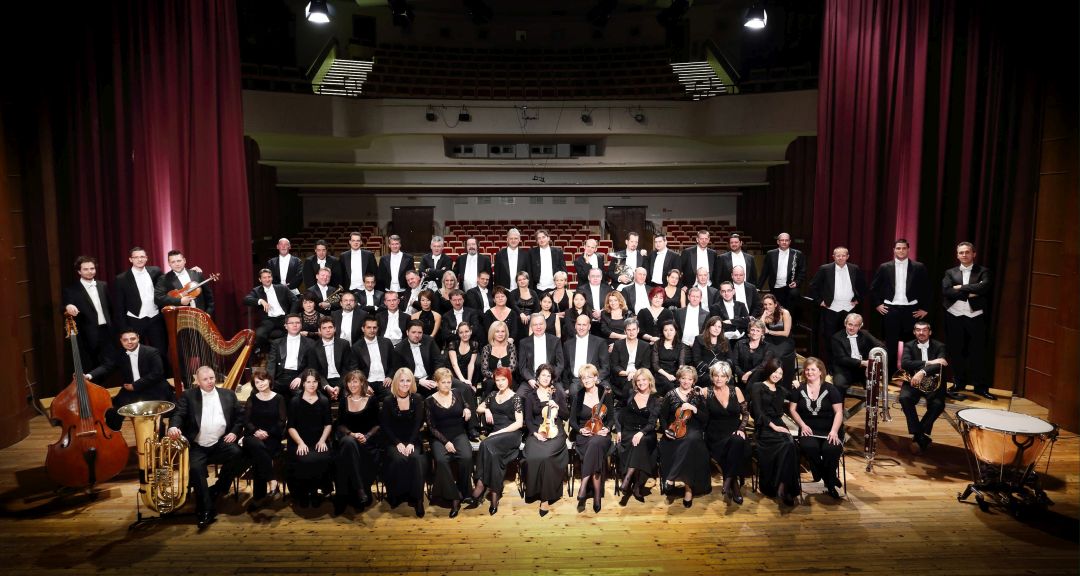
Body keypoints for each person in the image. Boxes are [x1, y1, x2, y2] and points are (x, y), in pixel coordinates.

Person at [166, 365, 245, 529]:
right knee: (195, 469)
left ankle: (218, 487)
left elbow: (240, 417)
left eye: (212, 378)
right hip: (198, 445)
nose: (210, 382)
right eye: (205, 379)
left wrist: (234, 432)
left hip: (220, 442)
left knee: (238, 454)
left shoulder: (228, 394)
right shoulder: (188, 396)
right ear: (197, 381)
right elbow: (179, 414)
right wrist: (173, 426)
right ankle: (205, 510)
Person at [86, 330, 170, 430]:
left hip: (153, 388)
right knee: (112, 412)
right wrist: (89, 375)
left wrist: (135, 385)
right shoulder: (120, 354)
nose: (129, 342)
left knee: (154, 418)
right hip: (130, 390)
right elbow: (107, 366)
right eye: (125, 340)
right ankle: (114, 436)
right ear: (121, 341)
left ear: (138, 338)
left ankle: (159, 434)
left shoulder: (152, 352)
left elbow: (157, 373)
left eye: (132, 339)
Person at [468, 366, 524, 515]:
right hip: (495, 438)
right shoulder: (492, 395)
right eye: (497, 380)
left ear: (509, 380)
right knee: (493, 455)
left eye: (503, 379)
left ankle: (480, 485)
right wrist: (487, 409)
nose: (500, 383)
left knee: (485, 443)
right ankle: (494, 494)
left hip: (511, 434)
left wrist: (498, 432)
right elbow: (478, 408)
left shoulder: (516, 398)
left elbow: (519, 423)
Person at [942, 242, 994, 400]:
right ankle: (959, 383)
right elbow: (946, 291)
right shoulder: (950, 272)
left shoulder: (983, 271)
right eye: (961, 252)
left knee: (978, 353)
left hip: (975, 316)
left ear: (974, 254)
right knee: (956, 352)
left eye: (967, 252)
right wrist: (972, 290)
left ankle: (980, 387)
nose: (964, 255)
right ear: (957, 255)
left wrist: (960, 288)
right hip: (954, 316)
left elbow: (984, 288)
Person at [788, 357, 844, 500]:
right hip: (808, 429)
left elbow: (839, 412)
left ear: (820, 372)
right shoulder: (799, 388)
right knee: (809, 447)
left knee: (831, 449)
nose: (809, 372)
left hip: (830, 430)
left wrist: (834, 431)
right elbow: (792, 409)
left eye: (813, 369)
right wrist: (802, 425)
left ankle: (828, 482)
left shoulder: (830, 389)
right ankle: (829, 478)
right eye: (807, 369)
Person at [870, 238, 931, 367]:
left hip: (911, 310)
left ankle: (910, 374)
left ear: (908, 249)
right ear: (894, 250)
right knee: (890, 344)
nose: (901, 250)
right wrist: (877, 304)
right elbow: (874, 288)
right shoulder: (884, 267)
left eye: (904, 248)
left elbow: (927, 289)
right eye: (898, 248)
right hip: (891, 310)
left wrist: (925, 308)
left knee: (912, 344)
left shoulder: (919, 267)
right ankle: (890, 374)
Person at [659, 365, 711, 508]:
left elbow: (705, 418)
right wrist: (666, 430)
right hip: (674, 429)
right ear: (679, 379)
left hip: (693, 429)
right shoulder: (670, 394)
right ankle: (687, 489)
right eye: (683, 378)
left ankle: (682, 485)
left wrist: (694, 409)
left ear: (694, 381)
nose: (686, 381)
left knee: (691, 440)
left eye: (689, 379)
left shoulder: (698, 395)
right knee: (684, 443)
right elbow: (662, 417)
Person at [750, 359, 800, 507]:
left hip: (779, 424)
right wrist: (774, 427)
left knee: (790, 445)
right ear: (768, 371)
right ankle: (780, 488)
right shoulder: (757, 387)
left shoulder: (781, 390)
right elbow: (758, 412)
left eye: (780, 373)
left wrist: (797, 386)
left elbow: (795, 398)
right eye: (774, 372)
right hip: (764, 426)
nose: (776, 375)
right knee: (786, 445)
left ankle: (783, 487)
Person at [425, 368, 474, 518]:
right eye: (443, 382)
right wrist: (446, 442)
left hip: (458, 433)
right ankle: (454, 497)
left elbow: (466, 404)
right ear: (436, 383)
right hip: (439, 437)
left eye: (449, 382)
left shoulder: (457, 393)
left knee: (466, 457)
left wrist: (467, 409)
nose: (447, 385)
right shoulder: (429, 401)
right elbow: (431, 427)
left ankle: (465, 491)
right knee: (441, 460)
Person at [522, 364, 570, 517]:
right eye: (543, 375)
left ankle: (545, 498)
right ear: (537, 377)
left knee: (547, 456)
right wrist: (535, 434)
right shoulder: (530, 396)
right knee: (532, 456)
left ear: (552, 379)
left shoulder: (557, 393)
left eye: (548, 376)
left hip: (555, 431)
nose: (546, 378)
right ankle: (534, 491)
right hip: (537, 431)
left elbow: (566, 415)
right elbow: (528, 420)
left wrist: (558, 406)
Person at [379, 367, 427, 517]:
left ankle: (418, 499)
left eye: (408, 380)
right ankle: (398, 494)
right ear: (396, 382)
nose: (405, 384)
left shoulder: (417, 398)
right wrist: (398, 443)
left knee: (416, 459)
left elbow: (418, 424)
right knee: (398, 459)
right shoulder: (388, 400)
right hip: (394, 441)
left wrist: (411, 443)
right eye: (402, 381)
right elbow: (385, 426)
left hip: (413, 439)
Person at [569, 364, 614, 513]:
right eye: (583, 378)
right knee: (594, 448)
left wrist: (607, 428)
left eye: (589, 377)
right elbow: (572, 421)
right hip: (585, 434)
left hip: (601, 434)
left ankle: (583, 487)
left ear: (596, 378)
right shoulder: (578, 395)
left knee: (596, 442)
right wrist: (580, 429)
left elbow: (611, 418)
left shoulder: (605, 393)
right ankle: (597, 496)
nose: (587, 380)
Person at [332, 369, 379, 515]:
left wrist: (367, 436)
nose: (352, 384)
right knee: (349, 442)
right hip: (347, 440)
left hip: (366, 443)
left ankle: (343, 496)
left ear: (362, 383)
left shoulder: (371, 400)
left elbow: (378, 425)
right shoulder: (344, 400)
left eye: (355, 381)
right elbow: (340, 425)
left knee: (348, 449)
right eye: (349, 382)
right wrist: (351, 434)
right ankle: (360, 489)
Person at [285, 369, 333, 508]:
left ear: (318, 383)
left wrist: (322, 440)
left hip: (318, 440)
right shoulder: (295, 401)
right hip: (299, 440)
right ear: (303, 384)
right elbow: (291, 427)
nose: (312, 385)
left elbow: (328, 424)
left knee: (322, 458)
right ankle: (303, 493)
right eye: (308, 382)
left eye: (314, 382)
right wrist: (300, 443)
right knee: (303, 459)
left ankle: (315, 492)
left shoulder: (324, 401)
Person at [899, 321, 949, 453]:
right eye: (918, 330)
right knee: (904, 398)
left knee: (938, 404)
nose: (921, 332)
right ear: (914, 332)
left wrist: (922, 372)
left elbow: (942, 364)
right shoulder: (909, 345)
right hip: (913, 381)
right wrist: (929, 362)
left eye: (924, 330)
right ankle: (921, 436)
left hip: (934, 382)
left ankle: (918, 435)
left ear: (930, 332)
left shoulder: (940, 346)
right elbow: (905, 364)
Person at [242, 367, 287, 511]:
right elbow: (246, 421)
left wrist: (267, 433)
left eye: (263, 380)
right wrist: (256, 431)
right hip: (253, 436)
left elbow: (281, 422)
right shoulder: (252, 399)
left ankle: (258, 498)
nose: (260, 384)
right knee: (257, 446)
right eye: (257, 382)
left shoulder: (279, 398)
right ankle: (272, 481)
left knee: (259, 455)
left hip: (272, 437)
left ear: (269, 380)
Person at [810, 246, 868, 358]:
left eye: (843, 255)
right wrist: (820, 301)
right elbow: (813, 286)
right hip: (831, 309)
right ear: (833, 257)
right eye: (838, 255)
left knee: (848, 338)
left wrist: (858, 299)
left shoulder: (854, 268)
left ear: (847, 256)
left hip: (849, 309)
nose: (841, 258)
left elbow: (863, 286)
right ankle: (831, 364)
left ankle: (847, 362)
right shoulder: (825, 269)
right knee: (829, 338)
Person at [703, 362, 748, 504]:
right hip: (715, 434)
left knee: (737, 440)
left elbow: (745, 414)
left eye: (722, 376)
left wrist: (741, 429)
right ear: (712, 376)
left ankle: (728, 479)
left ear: (728, 377)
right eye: (716, 375)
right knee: (733, 446)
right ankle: (734, 484)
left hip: (735, 431)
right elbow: (700, 414)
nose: (719, 379)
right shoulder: (706, 391)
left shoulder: (736, 390)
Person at [615, 368, 660, 506]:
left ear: (650, 381)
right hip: (628, 431)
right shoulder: (630, 393)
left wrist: (641, 433)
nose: (641, 383)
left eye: (644, 380)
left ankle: (628, 480)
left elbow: (652, 423)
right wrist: (619, 430)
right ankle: (636, 487)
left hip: (646, 433)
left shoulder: (656, 399)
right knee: (636, 443)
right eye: (638, 380)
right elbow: (618, 411)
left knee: (641, 442)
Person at [63, 255, 114, 372]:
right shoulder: (72, 290)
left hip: (107, 330)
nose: (90, 271)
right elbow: (64, 307)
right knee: (93, 365)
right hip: (88, 334)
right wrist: (68, 306)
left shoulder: (103, 285)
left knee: (111, 364)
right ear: (79, 271)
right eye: (85, 269)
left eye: (92, 268)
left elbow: (110, 308)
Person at [113, 246, 166, 353]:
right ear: (130, 259)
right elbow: (119, 306)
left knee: (161, 351)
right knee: (137, 353)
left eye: (142, 257)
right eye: (136, 257)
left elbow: (168, 283)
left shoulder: (156, 271)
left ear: (146, 258)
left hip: (155, 318)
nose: (140, 259)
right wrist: (124, 328)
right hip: (134, 320)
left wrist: (189, 272)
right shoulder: (121, 278)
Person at [829, 313, 884, 400]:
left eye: (855, 325)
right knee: (839, 385)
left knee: (874, 384)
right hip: (844, 370)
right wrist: (863, 363)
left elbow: (881, 347)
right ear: (845, 323)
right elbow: (841, 359)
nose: (852, 328)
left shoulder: (865, 334)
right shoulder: (836, 337)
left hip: (863, 370)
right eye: (850, 324)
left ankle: (871, 407)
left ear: (860, 326)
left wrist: (871, 363)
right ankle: (839, 408)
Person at [244, 268, 296, 352]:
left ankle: (290, 352)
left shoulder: (281, 288)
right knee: (259, 335)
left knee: (295, 330)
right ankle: (270, 351)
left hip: (284, 318)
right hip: (268, 320)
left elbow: (295, 300)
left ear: (272, 278)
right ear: (260, 279)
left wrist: (291, 316)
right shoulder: (257, 291)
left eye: (269, 277)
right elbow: (246, 300)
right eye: (264, 278)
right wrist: (260, 301)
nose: (267, 279)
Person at [392, 319, 445, 397]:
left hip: (431, 378)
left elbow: (438, 361)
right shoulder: (399, 349)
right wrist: (418, 381)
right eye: (413, 332)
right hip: (412, 382)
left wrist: (436, 378)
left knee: (460, 386)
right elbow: (400, 372)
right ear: (407, 332)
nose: (417, 335)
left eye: (420, 332)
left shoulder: (429, 341)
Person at [154, 249, 215, 316]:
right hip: (179, 317)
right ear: (169, 264)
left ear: (184, 261)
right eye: (173, 262)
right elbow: (158, 298)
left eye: (179, 261)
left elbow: (208, 296)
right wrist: (180, 301)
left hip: (200, 315)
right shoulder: (164, 279)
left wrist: (208, 313)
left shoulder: (196, 274)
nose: (177, 264)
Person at [517, 313, 565, 396]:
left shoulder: (555, 341)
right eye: (535, 325)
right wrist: (530, 379)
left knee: (562, 395)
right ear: (531, 326)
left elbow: (560, 364)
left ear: (545, 325)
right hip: (531, 380)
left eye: (541, 324)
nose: (538, 327)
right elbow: (522, 367)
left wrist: (550, 378)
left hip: (551, 379)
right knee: (519, 396)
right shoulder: (523, 343)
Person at [265, 314, 314, 396]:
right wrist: (269, 381)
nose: (295, 325)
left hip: (299, 376)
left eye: (297, 323)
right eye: (291, 323)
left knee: (299, 396)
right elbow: (271, 363)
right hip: (280, 376)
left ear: (301, 325)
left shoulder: (310, 343)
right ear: (286, 326)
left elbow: (311, 364)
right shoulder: (276, 343)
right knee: (262, 393)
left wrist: (301, 377)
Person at [308, 317, 356, 399]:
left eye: (330, 327)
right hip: (323, 381)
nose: (328, 330)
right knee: (321, 400)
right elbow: (315, 371)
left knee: (348, 398)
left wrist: (339, 386)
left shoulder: (344, 344)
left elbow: (347, 368)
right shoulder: (313, 347)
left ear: (335, 329)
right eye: (324, 328)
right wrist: (326, 386)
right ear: (319, 330)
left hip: (341, 380)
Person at [563, 313, 610, 396]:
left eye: (584, 325)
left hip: (595, 379)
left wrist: (596, 379)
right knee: (573, 391)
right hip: (577, 380)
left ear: (589, 326)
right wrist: (566, 387)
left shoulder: (599, 342)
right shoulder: (567, 344)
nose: (581, 328)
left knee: (606, 391)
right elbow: (565, 368)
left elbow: (605, 367)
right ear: (575, 326)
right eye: (579, 324)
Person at [758, 232, 805, 313]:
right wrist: (758, 287)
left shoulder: (798, 254)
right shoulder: (770, 254)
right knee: (776, 312)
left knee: (790, 310)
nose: (784, 242)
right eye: (782, 240)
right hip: (775, 288)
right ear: (778, 242)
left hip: (790, 288)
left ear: (790, 242)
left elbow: (802, 271)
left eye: (786, 240)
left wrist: (797, 282)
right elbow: (765, 272)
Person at [609, 318, 651, 407]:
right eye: (628, 330)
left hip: (638, 375)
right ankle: (625, 407)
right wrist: (627, 373)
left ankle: (621, 406)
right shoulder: (618, 344)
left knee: (630, 384)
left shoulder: (645, 345)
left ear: (638, 330)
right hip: (621, 375)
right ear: (625, 331)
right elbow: (614, 365)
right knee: (629, 384)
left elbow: (646, 366)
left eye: (634, 329)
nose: (631, 332)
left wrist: (635, 374)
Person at [352, 316, 393, 399]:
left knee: (392, 396)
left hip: (385, 381)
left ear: (378, 328)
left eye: (374, 327)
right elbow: (355, 369)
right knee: (367, 399)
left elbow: (393, 362)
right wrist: (363, 384)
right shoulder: (356, 347)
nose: (372, 330)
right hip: (367, 382)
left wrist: (390, 376)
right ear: (363, 329)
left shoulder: (386, 342)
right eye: (369, 327)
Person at [761, 294, 797, 384]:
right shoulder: (766, 314)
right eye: (765, 304)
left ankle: (782, 381)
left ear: (775, 304)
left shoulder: (784, 313)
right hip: (771, 340)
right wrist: (763, 316)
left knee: (778, 355)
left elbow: (786, 333)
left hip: (785, 340)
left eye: (770, 304)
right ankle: (768, 381)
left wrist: (769, 331)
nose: (767, 306)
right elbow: (760, 329)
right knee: (765, 354)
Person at [731, 320, 775, 392]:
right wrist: (742, 375)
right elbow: (735, 364)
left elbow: (763, 365)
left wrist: (749, 374)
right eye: (752, 330)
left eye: (758, 331)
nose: (754, 333)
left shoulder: (767, 347)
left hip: (759, 381)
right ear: (749, 331)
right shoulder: (739, 344)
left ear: (762, 333)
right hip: (742, 380)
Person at [479, 320, 517, 397]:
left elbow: (512, 367)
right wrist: (496, 377)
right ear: (492, 333)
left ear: (506, 333)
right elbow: (484, 370)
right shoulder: (487, 348)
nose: (500, 334)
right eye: (497, 331)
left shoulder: (511, 347)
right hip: (491, 379)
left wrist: (502, 377)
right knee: (489, 384)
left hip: (507, 377)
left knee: (510, 383)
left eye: (503, 331)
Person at [691, 316, 731, 387]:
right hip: (705, 372)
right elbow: (696, 360)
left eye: (719, 327)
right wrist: (711, 369)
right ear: (708, 326)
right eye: (714, 326)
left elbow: (730, 359)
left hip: (722, 372)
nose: (716, 329)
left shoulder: (725, 340)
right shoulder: (699, 339)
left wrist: (722, 369)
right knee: (709, 380)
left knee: (729, 381)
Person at [651, 321, 686, 395]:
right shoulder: (657, 344)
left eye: (671, 330)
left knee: (681, 385)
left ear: (675, 331)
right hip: (661, 373)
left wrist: (679, 375)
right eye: (665, 330)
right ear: (662, 332)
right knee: (669, 386)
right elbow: (655, 365)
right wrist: (667, 375)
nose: (669, 333)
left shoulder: (681, 345)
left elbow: (681, 363)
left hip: (675, 372)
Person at [341, 232, 379, 299]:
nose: (355, 243)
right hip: (348, 290)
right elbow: (341, 274)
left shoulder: (369, 255)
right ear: (350, 242)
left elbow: (375, 273)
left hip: (366, 290)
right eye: (353, 240)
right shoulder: (343, 256)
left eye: (358, 240)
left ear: (361, 242)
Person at [714, 281, 750, 349]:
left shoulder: (741, 305)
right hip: (723, 341)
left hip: (741, 339)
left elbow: (747, 322)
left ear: (733, 291)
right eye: (723, 291)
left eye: (729, 290)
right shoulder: (715, 307)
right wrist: (739, 321)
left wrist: (730, 321)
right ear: (720, 293)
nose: (726, 293)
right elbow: (718, 325)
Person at [448, 321, 480, 392]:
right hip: (454, 374)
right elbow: (454, 364)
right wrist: (462, 380)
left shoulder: (474, 344)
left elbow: (471, 364)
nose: (464, 334)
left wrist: (469, 381)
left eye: (466, 331)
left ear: (471, 331)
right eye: (461, 332)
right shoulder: (453, 344)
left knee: (470, 389)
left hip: (467, 373)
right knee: (462, 388)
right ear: (458, 334)